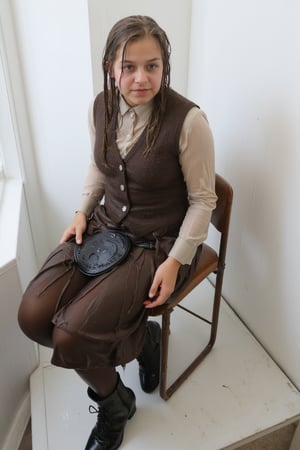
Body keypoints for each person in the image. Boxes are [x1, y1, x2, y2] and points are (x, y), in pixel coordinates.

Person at [18, 15, 217, 450]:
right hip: (104, 226)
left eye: (153, 66)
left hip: (158, 244)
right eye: (129, 66)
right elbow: (98, 165)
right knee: (33, 316)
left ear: (166, 67)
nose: (141, 78)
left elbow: (204, 201)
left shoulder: (189, 122)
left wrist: (175, 261)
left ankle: (113, 407)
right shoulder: (100, 105)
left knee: (70, 333)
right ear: (111, 66)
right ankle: (143, 339)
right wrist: (81, 211)